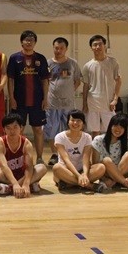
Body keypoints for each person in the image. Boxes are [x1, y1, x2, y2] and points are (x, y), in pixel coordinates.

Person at [7, 30, 50, 164]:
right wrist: (11, 98)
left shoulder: (41, 59)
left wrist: (45, 99)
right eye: (26, 40)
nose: (28, 42)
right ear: (21, 42)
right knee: (18, 129)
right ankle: (18, 158)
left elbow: (45, 81)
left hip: (37, 101)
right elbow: (10, 80)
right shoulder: (14, 58)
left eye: (31, 40)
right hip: (19, 101)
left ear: (35, 42)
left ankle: (40, 158)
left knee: (38, 129)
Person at [0, 113, 47, 198]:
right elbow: (4, 166)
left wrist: (26, 183)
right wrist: (15, 183)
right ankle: (27, 185)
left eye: (15, 127)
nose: (12, 131)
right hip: (5, 174)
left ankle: (9, 188)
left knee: (42, 168)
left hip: (21, 174)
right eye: (8, 128)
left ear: (21, 128)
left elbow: (29, 166)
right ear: (4, 129)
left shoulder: (27, 144)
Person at [44, 37, 81, 166]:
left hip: (68, 104)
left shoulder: (72, 63)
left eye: (61, 48)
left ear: (66, 49)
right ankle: (55, 154)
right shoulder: (48, 63)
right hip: (52, 103)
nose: (58, 50)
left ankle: (67, 155)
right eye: (56, 48)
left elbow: (77, 81)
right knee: (51, 130)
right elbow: (45, 82)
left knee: (69, 129)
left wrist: (69, 91)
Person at [52, 109, 106, 192]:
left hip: (82, 169)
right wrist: (78, 176)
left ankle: (69, 184)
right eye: (72, 120)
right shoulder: (60, 137)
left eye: (78, 121)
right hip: (66, 170)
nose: (75, 123)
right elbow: (66, 160)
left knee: (101, 167)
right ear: (68, 122)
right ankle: (89, 185)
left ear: (83, 124)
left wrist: (84, 174)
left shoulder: (87, 137)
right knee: (56, 168)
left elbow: (86, 159)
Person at [82, 35, 122, 137]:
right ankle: (96, 148)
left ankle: (111, 148)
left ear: (105, 46)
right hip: (92, 102)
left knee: (112, 130)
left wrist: (115, 99)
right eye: (95, 45)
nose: (97, 47)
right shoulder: (87, 66)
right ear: (91, 47)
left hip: (108, 103)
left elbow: (118, 80)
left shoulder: (112, 62)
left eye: (100, 44)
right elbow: (85, 85)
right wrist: (84, 104)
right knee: (95, 131)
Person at [91, 113, 128, 190]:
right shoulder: (98, 140)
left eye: (121, 127)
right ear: (110, 126)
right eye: (115, 126)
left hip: (122, 172)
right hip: (106, 174)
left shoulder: (127, 141)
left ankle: (116, 181)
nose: (118, 129)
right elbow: (95, 164)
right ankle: (125, 183)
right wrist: (104, 179)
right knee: (106, 160)